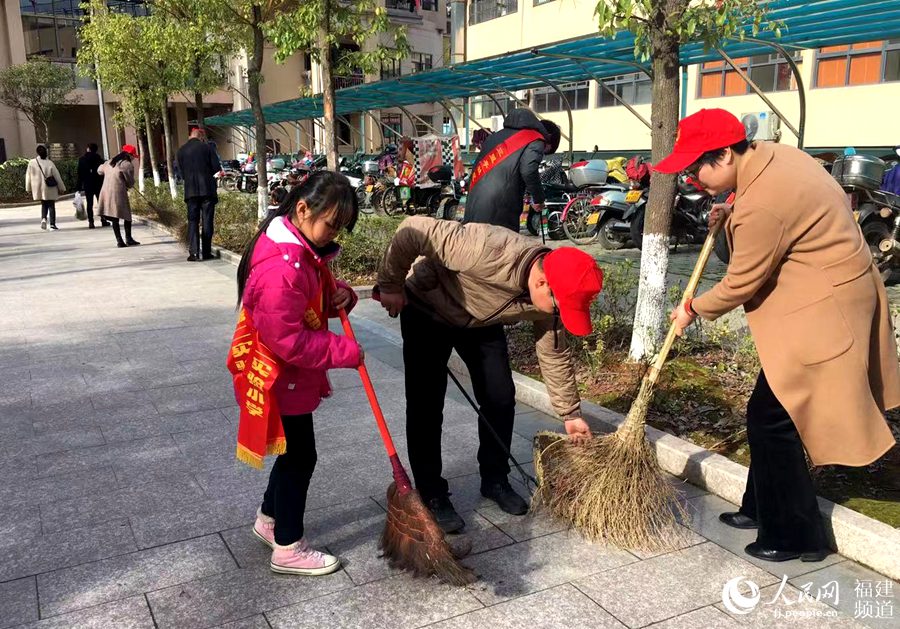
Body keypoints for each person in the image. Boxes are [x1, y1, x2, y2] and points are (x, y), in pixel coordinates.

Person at [663, 108, 900, 563]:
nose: (693, 179)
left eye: (696, 167)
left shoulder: (762, 201)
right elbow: (772, 223)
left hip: (824, 309)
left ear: (727, 154)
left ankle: (796, 536)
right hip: (828, 292)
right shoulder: (774, 158)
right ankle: (760, 507)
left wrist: (692, 308)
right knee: (767, 412)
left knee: (776, 420)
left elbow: (741, 281)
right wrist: (727, 215)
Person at [376, 216, 602, 533]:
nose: (559, 315)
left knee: (500, 397)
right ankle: (432, 493)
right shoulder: (483, 248)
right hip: (427, 309)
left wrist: (570, 413)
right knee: (426, 404)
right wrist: (390, 284)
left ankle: (495, 479)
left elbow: (553, 352)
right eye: (561, 308)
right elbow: (412, 229)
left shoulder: (552, 295)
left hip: (480, 321)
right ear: (541, 284)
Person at [237, 171, 363, 575]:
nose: (332, 234)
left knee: (294, 453)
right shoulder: (282, 266)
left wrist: (340, 294)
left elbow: (308, 299)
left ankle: (269, 519)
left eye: (340, 227)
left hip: (286, 375)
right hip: (279, 373)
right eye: (331, 224)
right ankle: (288, 546)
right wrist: (345, 351)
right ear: (303, 209)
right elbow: (287, 338)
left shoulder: (300, 249)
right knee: (299, 457)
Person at [462, 108, 559, 232]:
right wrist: (538, 199)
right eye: (546, 151)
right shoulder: (535, 139)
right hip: (501, 209)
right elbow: (528, 170)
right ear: (548, 138)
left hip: (474, 205)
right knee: (501, 249)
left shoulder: (495, 137)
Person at [176, 127, 222, 262]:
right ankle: (206, 252)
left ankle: (194, 253)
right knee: (207, 221)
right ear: (201, 136)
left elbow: (180, 173)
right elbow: (216, 167)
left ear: (191, 135)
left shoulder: (181, 151)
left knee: (192, 221)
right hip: (207, 190)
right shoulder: (207, 148)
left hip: (190, 192)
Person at [98, 145, 140, 248]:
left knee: (114, 217)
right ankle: (128, 238)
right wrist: (129, 184)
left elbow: (99, 170)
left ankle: (119, 241)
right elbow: (130, 182)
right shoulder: (127, 165)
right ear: (129, 155)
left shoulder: (109, 162)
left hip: (105, 192)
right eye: (133, 156)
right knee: (127, 215)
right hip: (118, 192)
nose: (134, 158)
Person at [25, 145, 66, 231]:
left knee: (43, 204)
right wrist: (62, 187)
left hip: (38, 188)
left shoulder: (32, 162)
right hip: (49, 187)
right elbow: (57, 176)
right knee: (51, 205)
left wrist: (28, 188)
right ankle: (52, 225)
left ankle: (43, 219)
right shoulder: (50, 163)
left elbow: (28, 176)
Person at [76, 143, 107, 228]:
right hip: (98, 183)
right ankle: (103, 220)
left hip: (87, 184)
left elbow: (80, 174)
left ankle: (91, 222)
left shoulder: (82, 160)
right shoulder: (100, 160)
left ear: (88, 149)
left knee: (89, 203)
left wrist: (78, 186)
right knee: (100, 202)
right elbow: (103, 173)